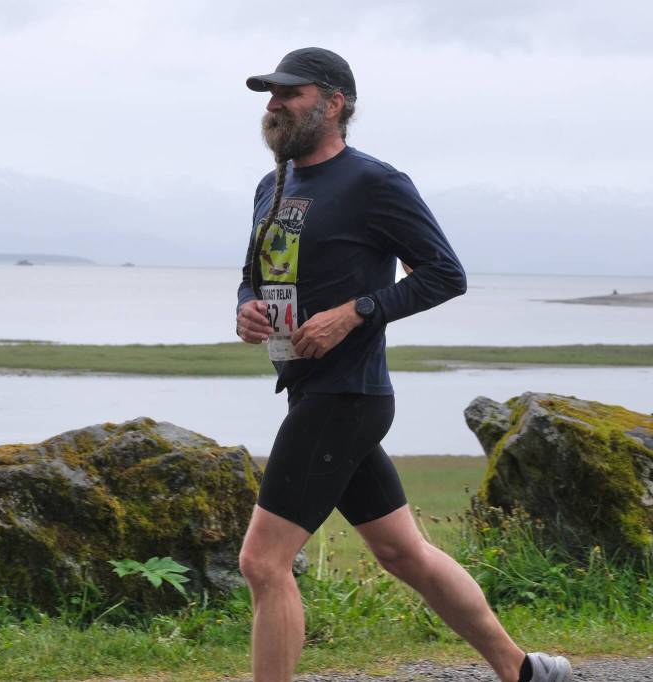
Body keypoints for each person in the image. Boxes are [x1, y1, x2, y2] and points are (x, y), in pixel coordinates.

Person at [233, 47, 572, 682]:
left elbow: (446, 274)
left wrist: (356, 311)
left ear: (334, 104)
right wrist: (248, 308)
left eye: (290, 93)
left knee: (263, 562)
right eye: (270, 95)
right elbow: (254, 277)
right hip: (309, 390)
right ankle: (522, 670)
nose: (274, 104)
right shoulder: (271, 186)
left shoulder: (374, 183)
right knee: (402, 550)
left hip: (348, 396)